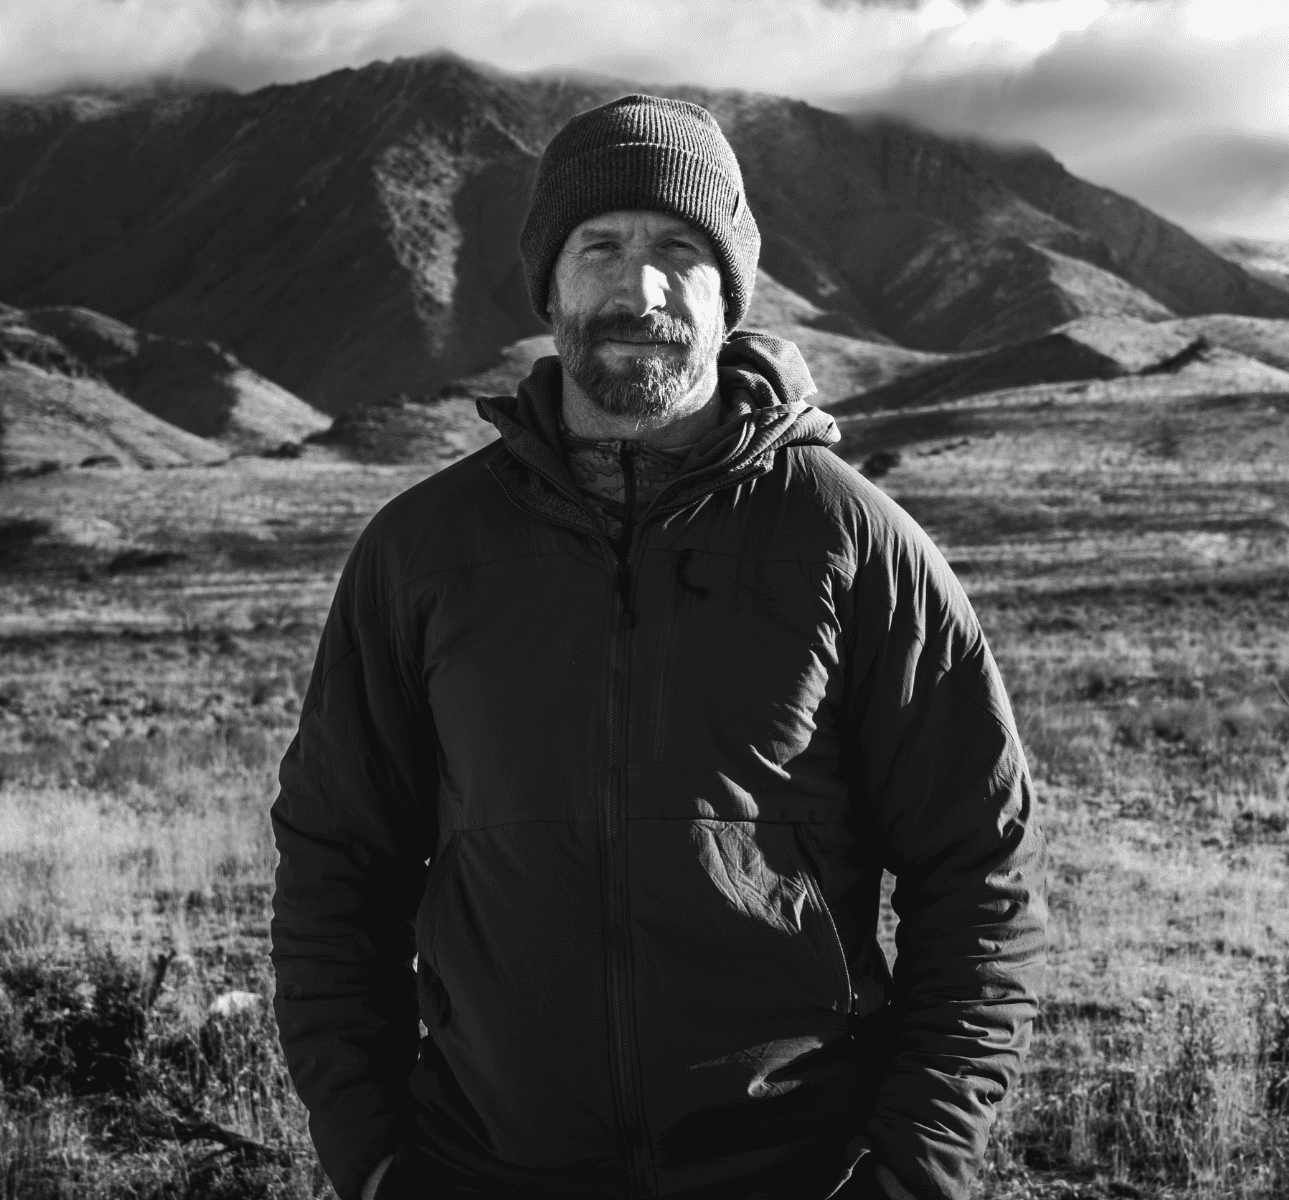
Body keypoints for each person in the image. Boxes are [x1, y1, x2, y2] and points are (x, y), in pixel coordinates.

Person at [269, 93, 1046, 1200]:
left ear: (729, 293)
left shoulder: (850, 539)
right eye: (602, 247)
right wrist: (376, 1155)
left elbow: (981, 869)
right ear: (550, 284)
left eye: (679, 250)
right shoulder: (422, 552)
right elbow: (335, 866)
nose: (639, 287)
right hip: (486, 1168)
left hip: (800, 1172)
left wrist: (914, 1170)